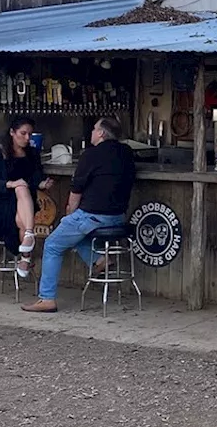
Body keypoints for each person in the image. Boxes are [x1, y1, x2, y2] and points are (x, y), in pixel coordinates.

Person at [23, 117, 136, 313]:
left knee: (52, 244)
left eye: (94, 129)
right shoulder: (126, 152)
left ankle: (47, 299)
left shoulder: (91, 155)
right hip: (117, 217)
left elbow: (76, 191)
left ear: (101, 133)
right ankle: (99, 260)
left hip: (92, 216)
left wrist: (69, 214)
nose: (91, 132)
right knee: (73, 233)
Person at [0, 116, 52, 277]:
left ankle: (28, 242)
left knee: (22, 195)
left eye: (30, 134)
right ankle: (26, 255)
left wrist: (42, 184)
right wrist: (12, 184)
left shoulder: (33, 153)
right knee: (20, 189)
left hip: (25, 203)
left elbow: (36, 178)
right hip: (1, 203)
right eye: (23, 133)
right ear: (12, 133)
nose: (27, 138)